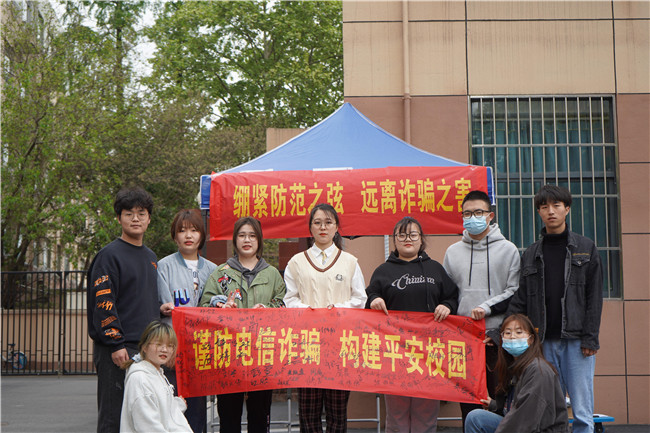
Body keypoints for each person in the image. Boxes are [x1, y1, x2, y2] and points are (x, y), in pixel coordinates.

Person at [506, 185, 603, 433]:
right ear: (538, 212)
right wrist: (503, 329)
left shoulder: (586, 248)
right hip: (542, 342)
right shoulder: (531, 253)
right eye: (544, 206)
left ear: (567, 209)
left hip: (577, 342)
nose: (551, 211)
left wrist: (590, 337)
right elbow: (521, 297)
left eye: (556, 206)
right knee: (549, 409)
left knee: (582, 411)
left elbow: (594, 297)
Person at [366, 216, 459, 433]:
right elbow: (369, 297)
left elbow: (452, 297)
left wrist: (447, 305)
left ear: (421, 239)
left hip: (430, 351)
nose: (408, 239)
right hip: (394, 352)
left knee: (426, 411)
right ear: (394, 240)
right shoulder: (383, 271)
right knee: (396, 413)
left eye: (413, 234)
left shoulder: (435, 269)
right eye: (402, 235)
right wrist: (374, 300)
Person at [283, 203, 367, 433]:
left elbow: (360, 299)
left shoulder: (349, 262)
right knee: (308, 412)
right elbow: (289, 299)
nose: (323, 227)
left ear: (336, 227)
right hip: (306, 345)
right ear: (310, 228)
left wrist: (337, 309)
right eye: (317, 222)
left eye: (328, 222)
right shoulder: (296, 262)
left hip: (339, 345)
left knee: (337, 412)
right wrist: (308, 311)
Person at [200, 216, 286, 433]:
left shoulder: (272, 274)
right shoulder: (221, 273)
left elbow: (283, 304)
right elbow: (204, 306)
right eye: (242, 235)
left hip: (262, 356)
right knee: (229, 419)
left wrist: (268, 309)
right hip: (228, 357)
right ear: (235, 240)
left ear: (259, 240)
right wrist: (220, 306)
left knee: (260, 418)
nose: (247, 240)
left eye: (252, 236)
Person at [442, 190, 520, 428]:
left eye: (478, 212)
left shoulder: (508, 250)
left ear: (490, 216)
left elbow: (514, 291)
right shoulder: (452, 252)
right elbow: (448, 293)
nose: (472, 218)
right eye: (467, 214)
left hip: (496, 340)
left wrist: (487, 309)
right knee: (468, 403)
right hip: (463, 340)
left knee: (500, 400)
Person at [87, 186, 160, 433]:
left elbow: (142, 300)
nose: (135, 219)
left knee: (142, 418)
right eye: (129, 214)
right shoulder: (109, 256)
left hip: (146, 349)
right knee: (114, 416)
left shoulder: (151, 257)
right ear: (119, 218)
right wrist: (116, 344)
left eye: (141, 213)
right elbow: (103, 303)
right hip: (118, 352)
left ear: (149, 219)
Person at [158, 209, 217, 433]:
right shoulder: (164, 266)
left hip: (200, 352)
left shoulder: (212, 269)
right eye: (182, 231)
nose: (188, 235)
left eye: (194, 230)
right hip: (173, 350)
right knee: (171, 408)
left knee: (197, 411)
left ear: (202, 235)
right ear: (175, 236)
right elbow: (161, 303)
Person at [464, 314, 569, 433]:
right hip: (522, 424)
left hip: (538, 428)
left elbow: (524, 419)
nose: (512, 337)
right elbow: (513, 407)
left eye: (519, 332)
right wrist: (495, 405)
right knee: (476, 418)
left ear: (531, 339)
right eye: (507, 333)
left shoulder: (538, 370)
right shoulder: (513, 366)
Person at [120, 320, 193, 433]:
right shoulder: (140, 379)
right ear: (144, 347)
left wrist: (177, 405)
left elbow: (161, 411)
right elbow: (148, 426)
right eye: (158, 344)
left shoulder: (157, 373)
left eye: (170, 346)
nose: (164, 350)